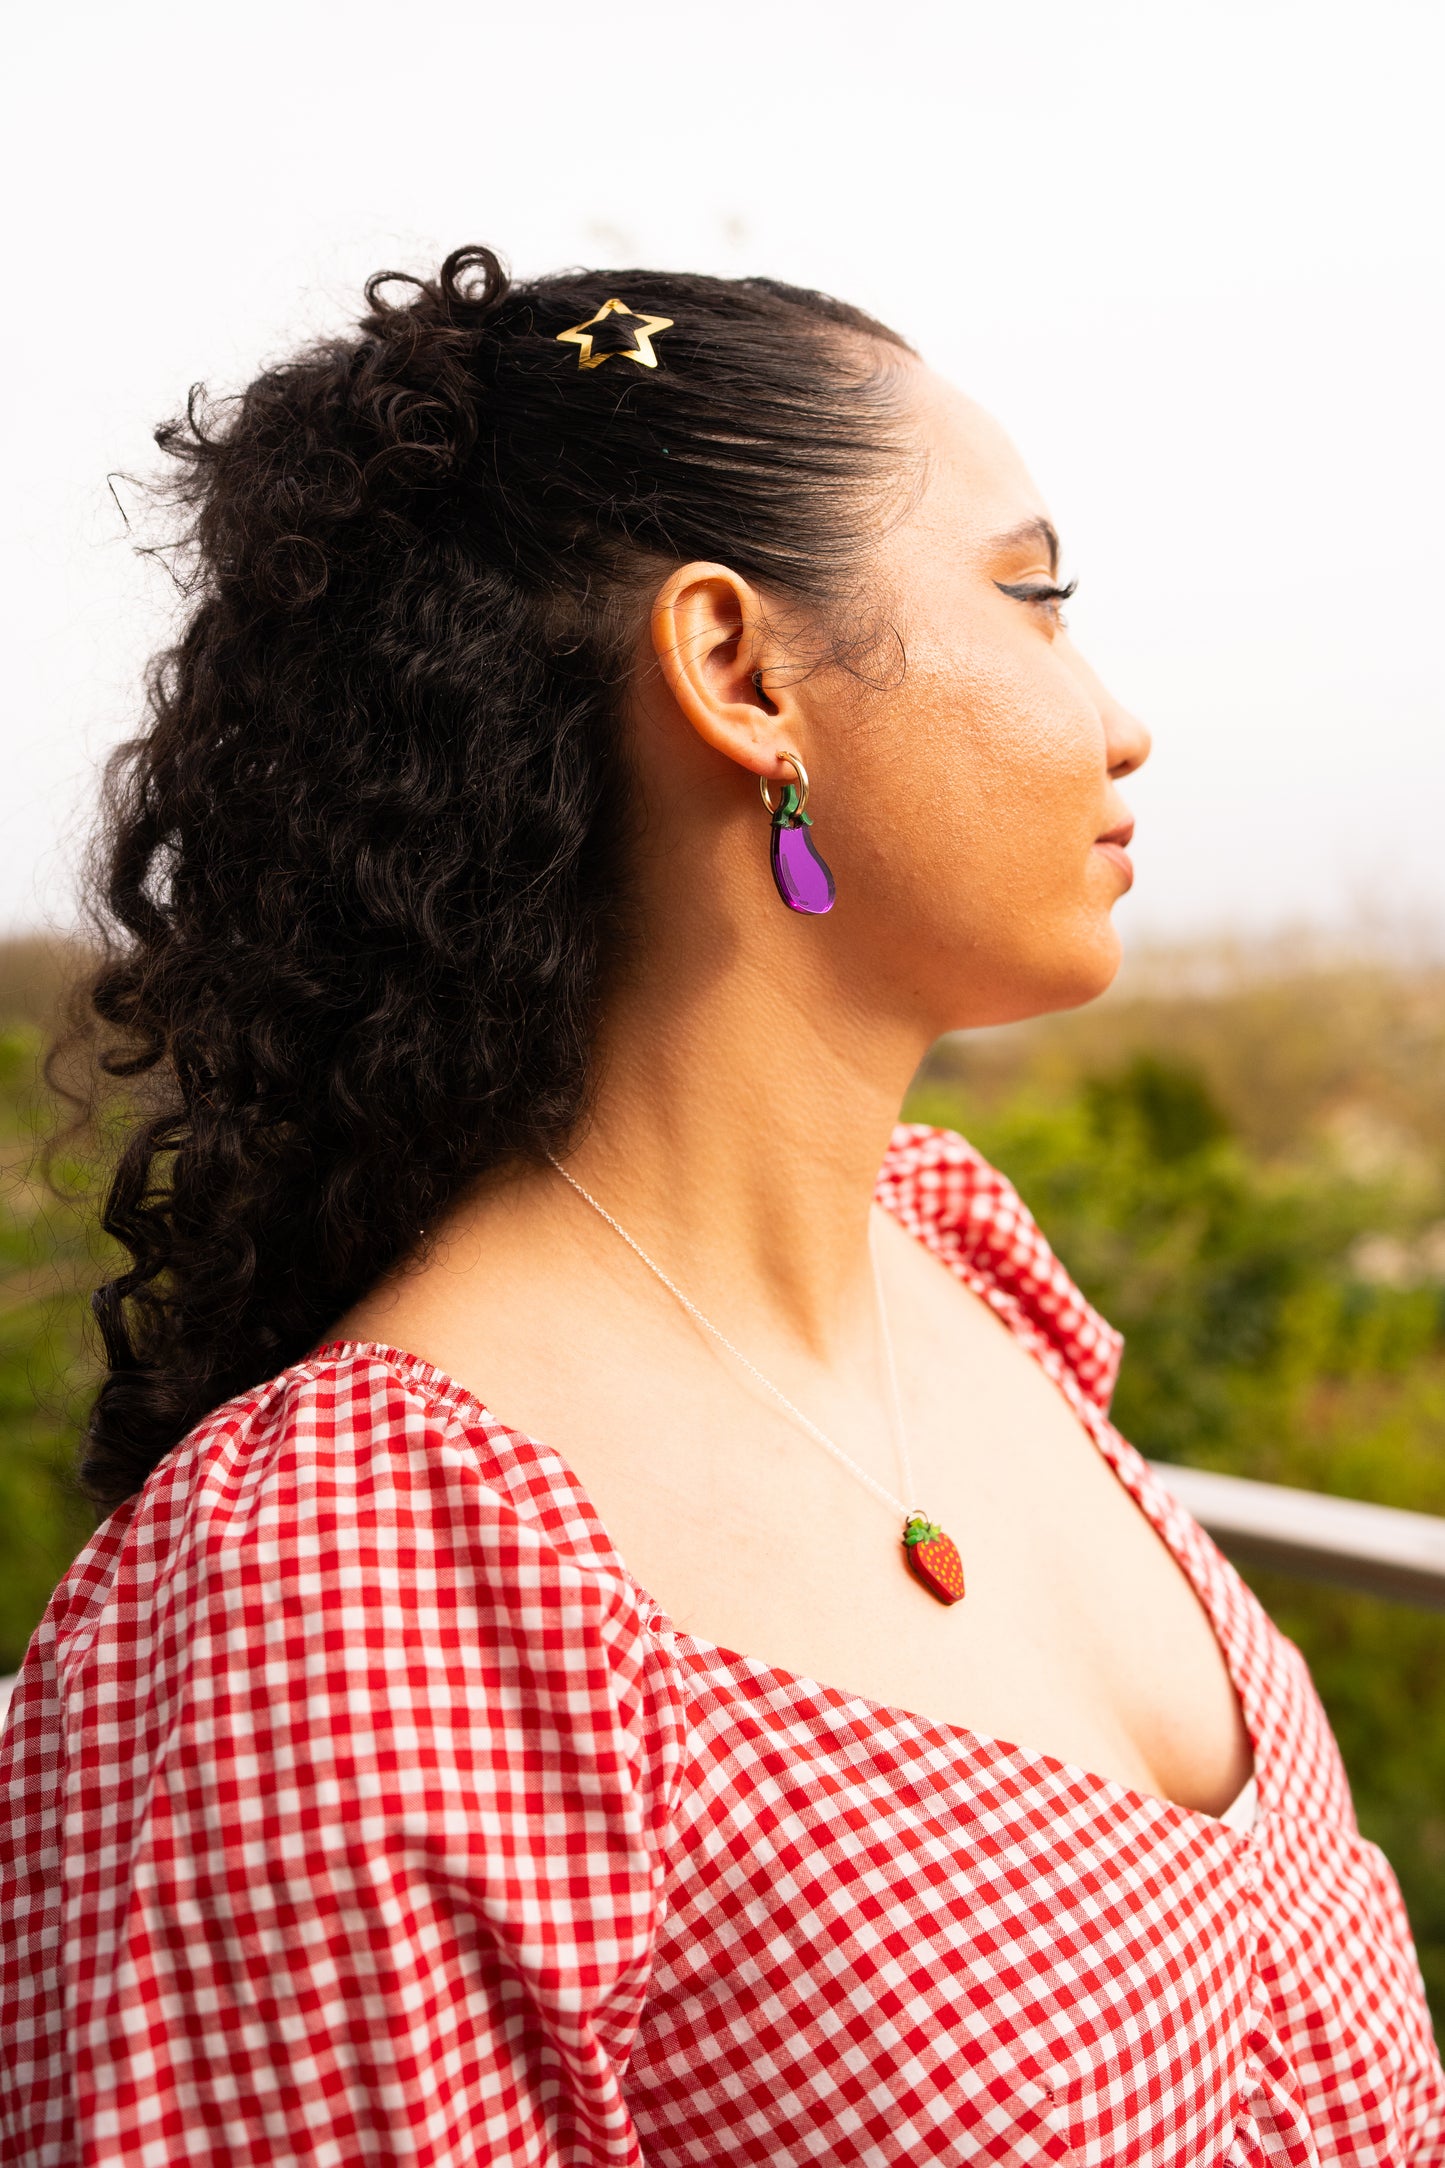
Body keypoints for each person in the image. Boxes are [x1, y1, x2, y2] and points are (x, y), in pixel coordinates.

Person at [2, 247, 1440, 2166]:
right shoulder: (358, 1579)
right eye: (1030, 599)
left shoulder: (959, 1273)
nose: (1117, 720)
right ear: (740, 670)